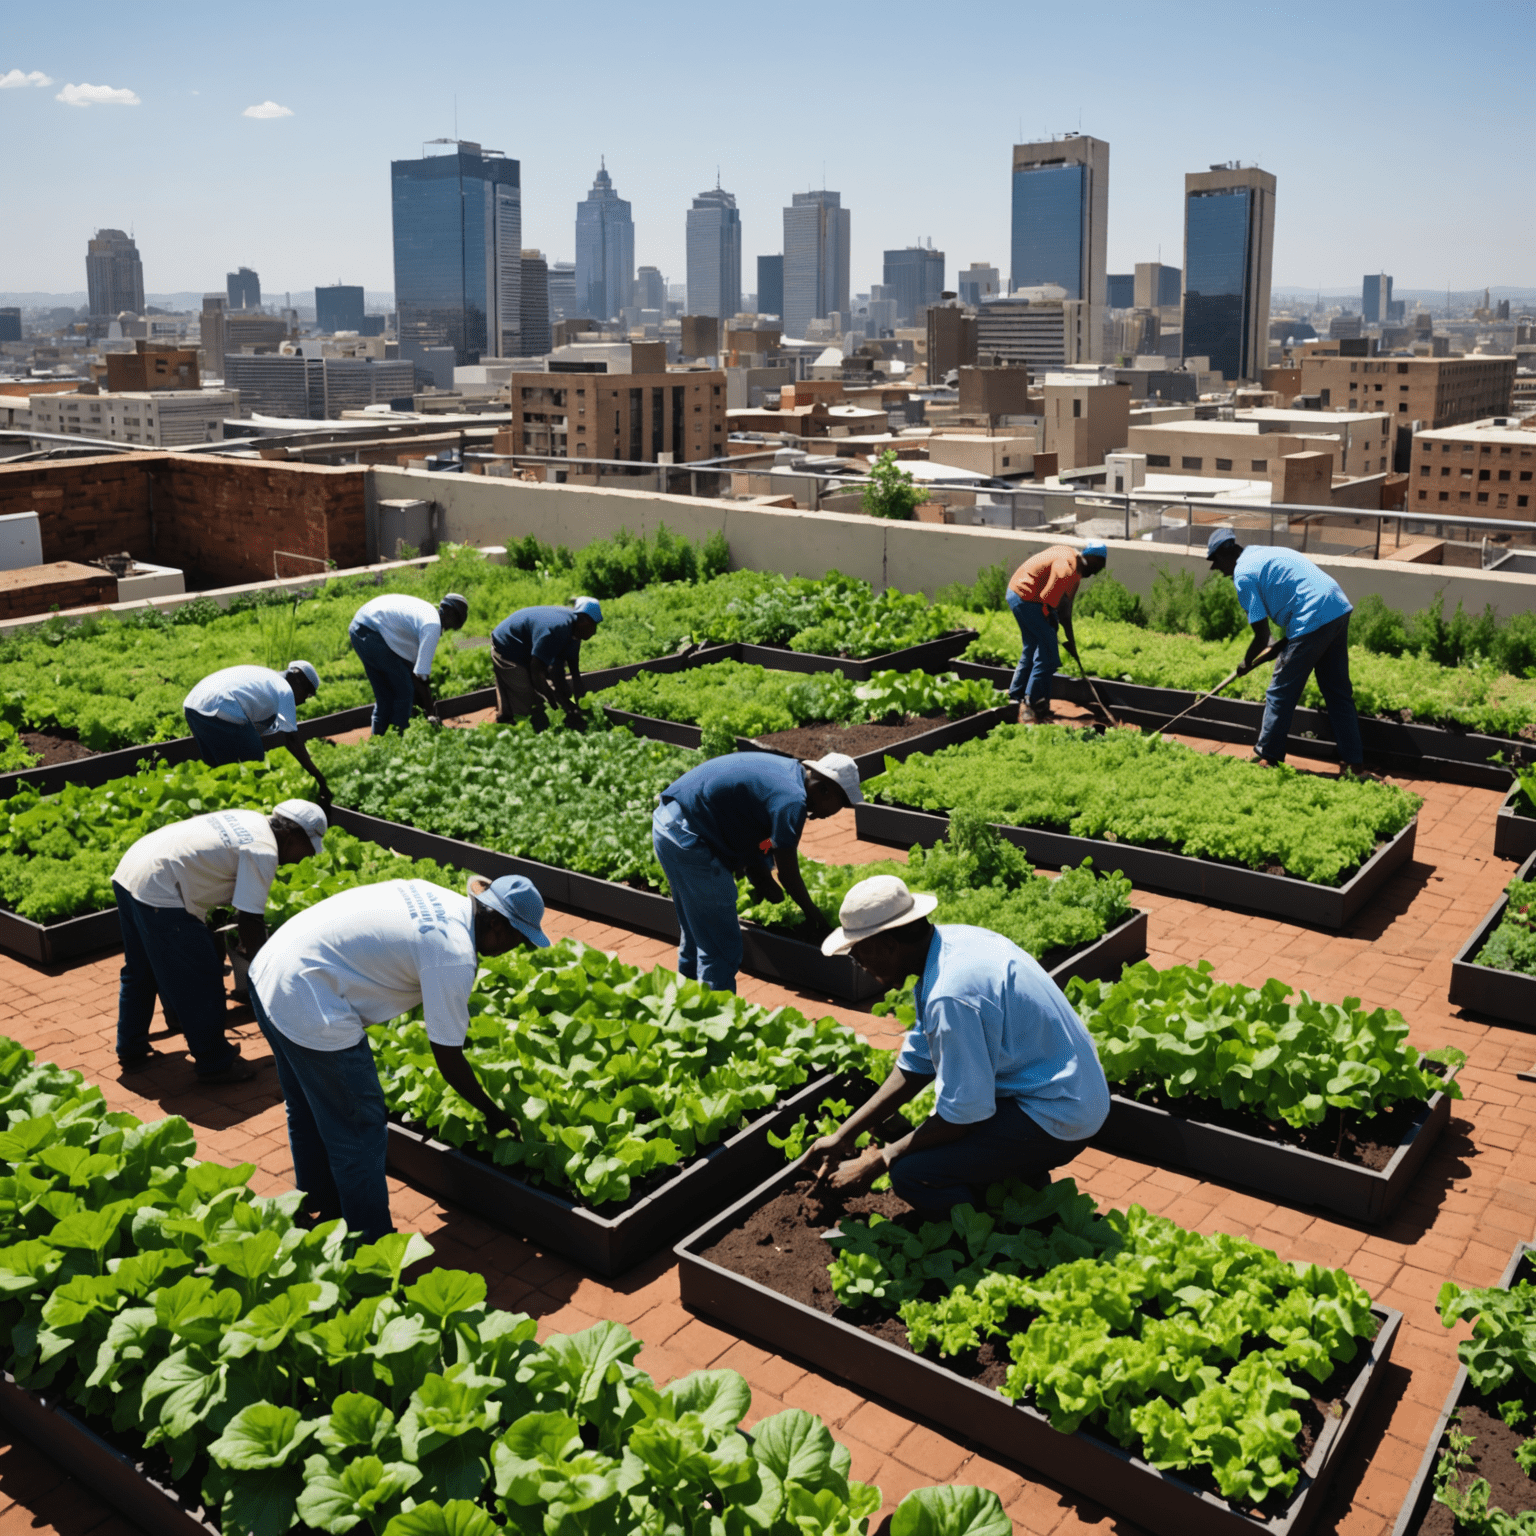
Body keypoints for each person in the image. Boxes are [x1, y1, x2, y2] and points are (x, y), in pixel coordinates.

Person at [247, 872, 550, 1241]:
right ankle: (371, 1250)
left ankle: (322, 1207)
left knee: (308, 1105)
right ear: (498, 926)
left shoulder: (440, 899)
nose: (513, 950)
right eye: (518, 939)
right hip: (309, 999)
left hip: (271, 968)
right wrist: (492, 1112)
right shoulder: (453, 955)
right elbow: (448, 1057)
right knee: (360, 1128)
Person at [808, 874, 1109, 1217]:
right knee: (935, 1146)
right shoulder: (952, 944)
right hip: (1070, 1087)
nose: (860, 965)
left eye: (859, 954)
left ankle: (988, 1235)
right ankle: (1019, 1181)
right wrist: (845, 1135)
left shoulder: (950, 992)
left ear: (885, 944)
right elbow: (916, 1064)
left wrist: (881, 1159)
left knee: (912, 1174)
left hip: (1061, 1114)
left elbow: (961, 1117)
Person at [110, 799, 328, 1084]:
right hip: (160, 889)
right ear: (292, 835)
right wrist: (267, 971)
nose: (306, 858)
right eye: (308, 848)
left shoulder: (251, 821)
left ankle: (130, 1047)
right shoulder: (264, 850)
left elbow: (217, 877)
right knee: (200, 980)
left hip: (133, 869)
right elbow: (249, 921)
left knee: (141, 969)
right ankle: (215, 1062)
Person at [652, 751, 862, 992]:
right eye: (841, 804)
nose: (834, 813)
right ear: (825, 790)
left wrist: (761, 875)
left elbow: (760, 835)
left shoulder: (789, 773)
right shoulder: (792, 800)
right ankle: (714, 1021)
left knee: (698, 929)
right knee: (721, 946)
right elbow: (789, 875)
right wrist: (816, 918)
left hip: (669, 823)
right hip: (688, 839)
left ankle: (688, 1003)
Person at [1204, 528, 1371, 777]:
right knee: (1337, 693)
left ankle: (1267, 757)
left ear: (1226, 554)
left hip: (1313, 615)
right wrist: (1273, 651)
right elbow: (1275, 640)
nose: (1217, 568)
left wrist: (1246, 662)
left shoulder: (1243, 575)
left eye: (1215, 561)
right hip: (1335, 606)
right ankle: (1354, 765)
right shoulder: (1260, 555)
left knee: (1280, 690)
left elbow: (1261, 637)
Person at [183, 662, 332, 804]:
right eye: (307, 694)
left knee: (219, 770)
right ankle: (248, 808)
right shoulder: (285, 690)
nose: (305, 701)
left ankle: (219, 805)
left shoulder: (269, 679)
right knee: (254, 764)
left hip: (193, 705)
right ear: (297, 681)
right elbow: (292, 739)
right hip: (220, 706)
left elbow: (265, 722)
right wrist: (319, 777)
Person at [1005, 541, 1108, 724]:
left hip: (1020, 593)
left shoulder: (1075, 571)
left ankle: (1017, 697)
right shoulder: (1066, 566)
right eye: (1097, 566)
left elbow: (1065, 612)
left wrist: (1071, 641)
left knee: (1033, 647)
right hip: (1027, 596)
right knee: (1049, 655)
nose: (1095, 573)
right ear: (1089, 559)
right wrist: (1050, 619)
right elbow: (1048, 598)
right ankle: (1030, 704)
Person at [349, 591, 469, 735]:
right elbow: (420, 677)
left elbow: (413, 669)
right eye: (455, 622)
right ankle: (399, 739)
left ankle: (378, 741)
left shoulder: (425, 616)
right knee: (404, 691)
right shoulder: (432, 626)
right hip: (373, 632)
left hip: (360, 626)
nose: (450, 629)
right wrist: (432, 714)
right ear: (449, 613)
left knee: (385, 695)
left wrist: (426, 708)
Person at [490, 597, 602, 730]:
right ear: (582, 620)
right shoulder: (556, 630)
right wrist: (555, 702)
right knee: (526, 701)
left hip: (529, 646)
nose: (594, 631)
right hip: (508, 645)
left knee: (554, 689)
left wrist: (575, 693)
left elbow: (568, 664)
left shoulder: (574, 630)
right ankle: (512, 728)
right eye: (593, 625)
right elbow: (536, 671)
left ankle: (508, 717)